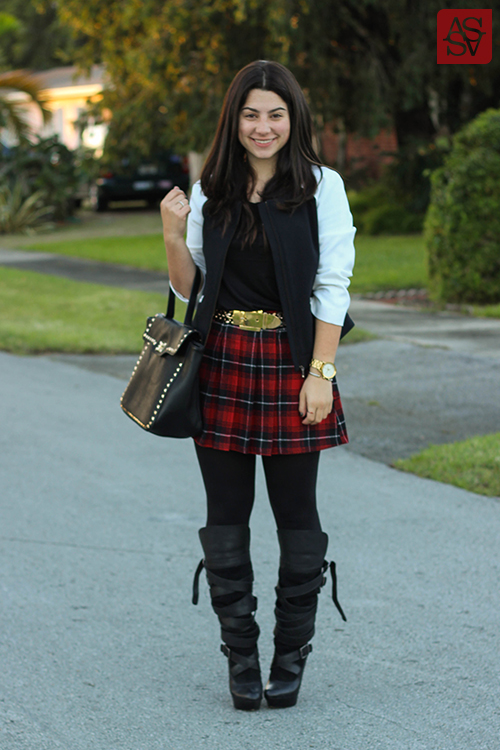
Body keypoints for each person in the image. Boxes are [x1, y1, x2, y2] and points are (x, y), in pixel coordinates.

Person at [160, 60, 355, 711]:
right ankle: (240, 657)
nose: (263, 126)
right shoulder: (210, 187)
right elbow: (190, 289)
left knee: (298, 517)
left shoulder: (322, 187)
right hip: (221, 366)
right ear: (234, 121)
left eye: (275, 114)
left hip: (292, 365)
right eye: (251, 115)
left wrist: (320, 373)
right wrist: (170, 230)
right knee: (225, 518)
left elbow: (332, 286)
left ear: (292, 118)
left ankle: (289, 655)